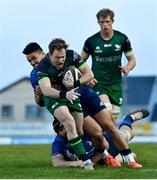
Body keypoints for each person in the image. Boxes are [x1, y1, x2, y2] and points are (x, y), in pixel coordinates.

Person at [23, 40, 94, 170]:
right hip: (53, 98)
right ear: (50, 55)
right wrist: (43, 94)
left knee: (79, 131)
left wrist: (75, 82)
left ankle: (70, 153)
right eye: (29, 61)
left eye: (63, 57)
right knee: (69, 121)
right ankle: (87, 162)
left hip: (71, 94)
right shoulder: (40, 69)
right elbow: (45, 92)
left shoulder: (72, 56)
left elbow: (89, 74)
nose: (61, 60)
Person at [81, 8, 136, 120]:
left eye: (107, 22)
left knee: (113, 117)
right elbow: (79, 62)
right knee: (107, 109)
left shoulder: (122, 39)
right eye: (102, 22)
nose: (105, 25)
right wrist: (86, 78)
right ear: (98, 22)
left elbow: (132, 60)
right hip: (98, 83)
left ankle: (107, 135)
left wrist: (127, 68)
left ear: (112, 21)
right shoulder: (91, 41)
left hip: (116, 84)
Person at [51, 109, 149, 167]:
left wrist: (90, 163)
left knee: (127, 135)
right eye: (60, 129)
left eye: (64, 126)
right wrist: (75, 163)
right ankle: (123, 157)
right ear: (58, 132)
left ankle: (128, 119)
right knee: (133, 156)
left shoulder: (82, 130)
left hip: (105, 144)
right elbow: (56, 161)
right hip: (100, 159)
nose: (64, 130)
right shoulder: (58, 142)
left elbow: (104, 146)